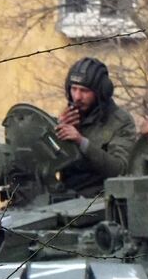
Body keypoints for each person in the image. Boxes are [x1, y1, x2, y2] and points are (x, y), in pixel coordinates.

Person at [54, 57, 139, 195]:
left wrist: (81, 142)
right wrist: (57, 130)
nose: (77, 97)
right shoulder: (69, 117)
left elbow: (120, 169)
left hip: (101, 199)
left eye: (84, 91)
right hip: (66, 197)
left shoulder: (120, 121)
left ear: (101, 92)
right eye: (73, 89)